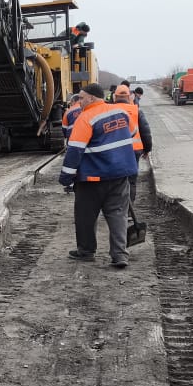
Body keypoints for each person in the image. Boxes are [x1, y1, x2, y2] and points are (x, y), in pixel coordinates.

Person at [60, 82, 138, 268]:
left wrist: (66, 177)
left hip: (92, 178)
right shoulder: (120, 113)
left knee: (86, 216)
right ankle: (120, 255)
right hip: (120, 175)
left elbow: (75, 151)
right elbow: (133, 132)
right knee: (118, 214)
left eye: (81, 97)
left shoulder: (85, 118)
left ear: (92, 98)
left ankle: (86, 251)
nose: (78, 101)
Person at [111, 85, 152, 204]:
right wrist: (147, 149)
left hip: (114, 151)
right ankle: (129, 210)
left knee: (115, 180)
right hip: (134, 151)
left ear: (115, 97)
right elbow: (145, 131)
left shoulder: (108, 111)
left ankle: (117, 206)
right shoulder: (136, 110)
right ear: (129, 97)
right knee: (131, 180)